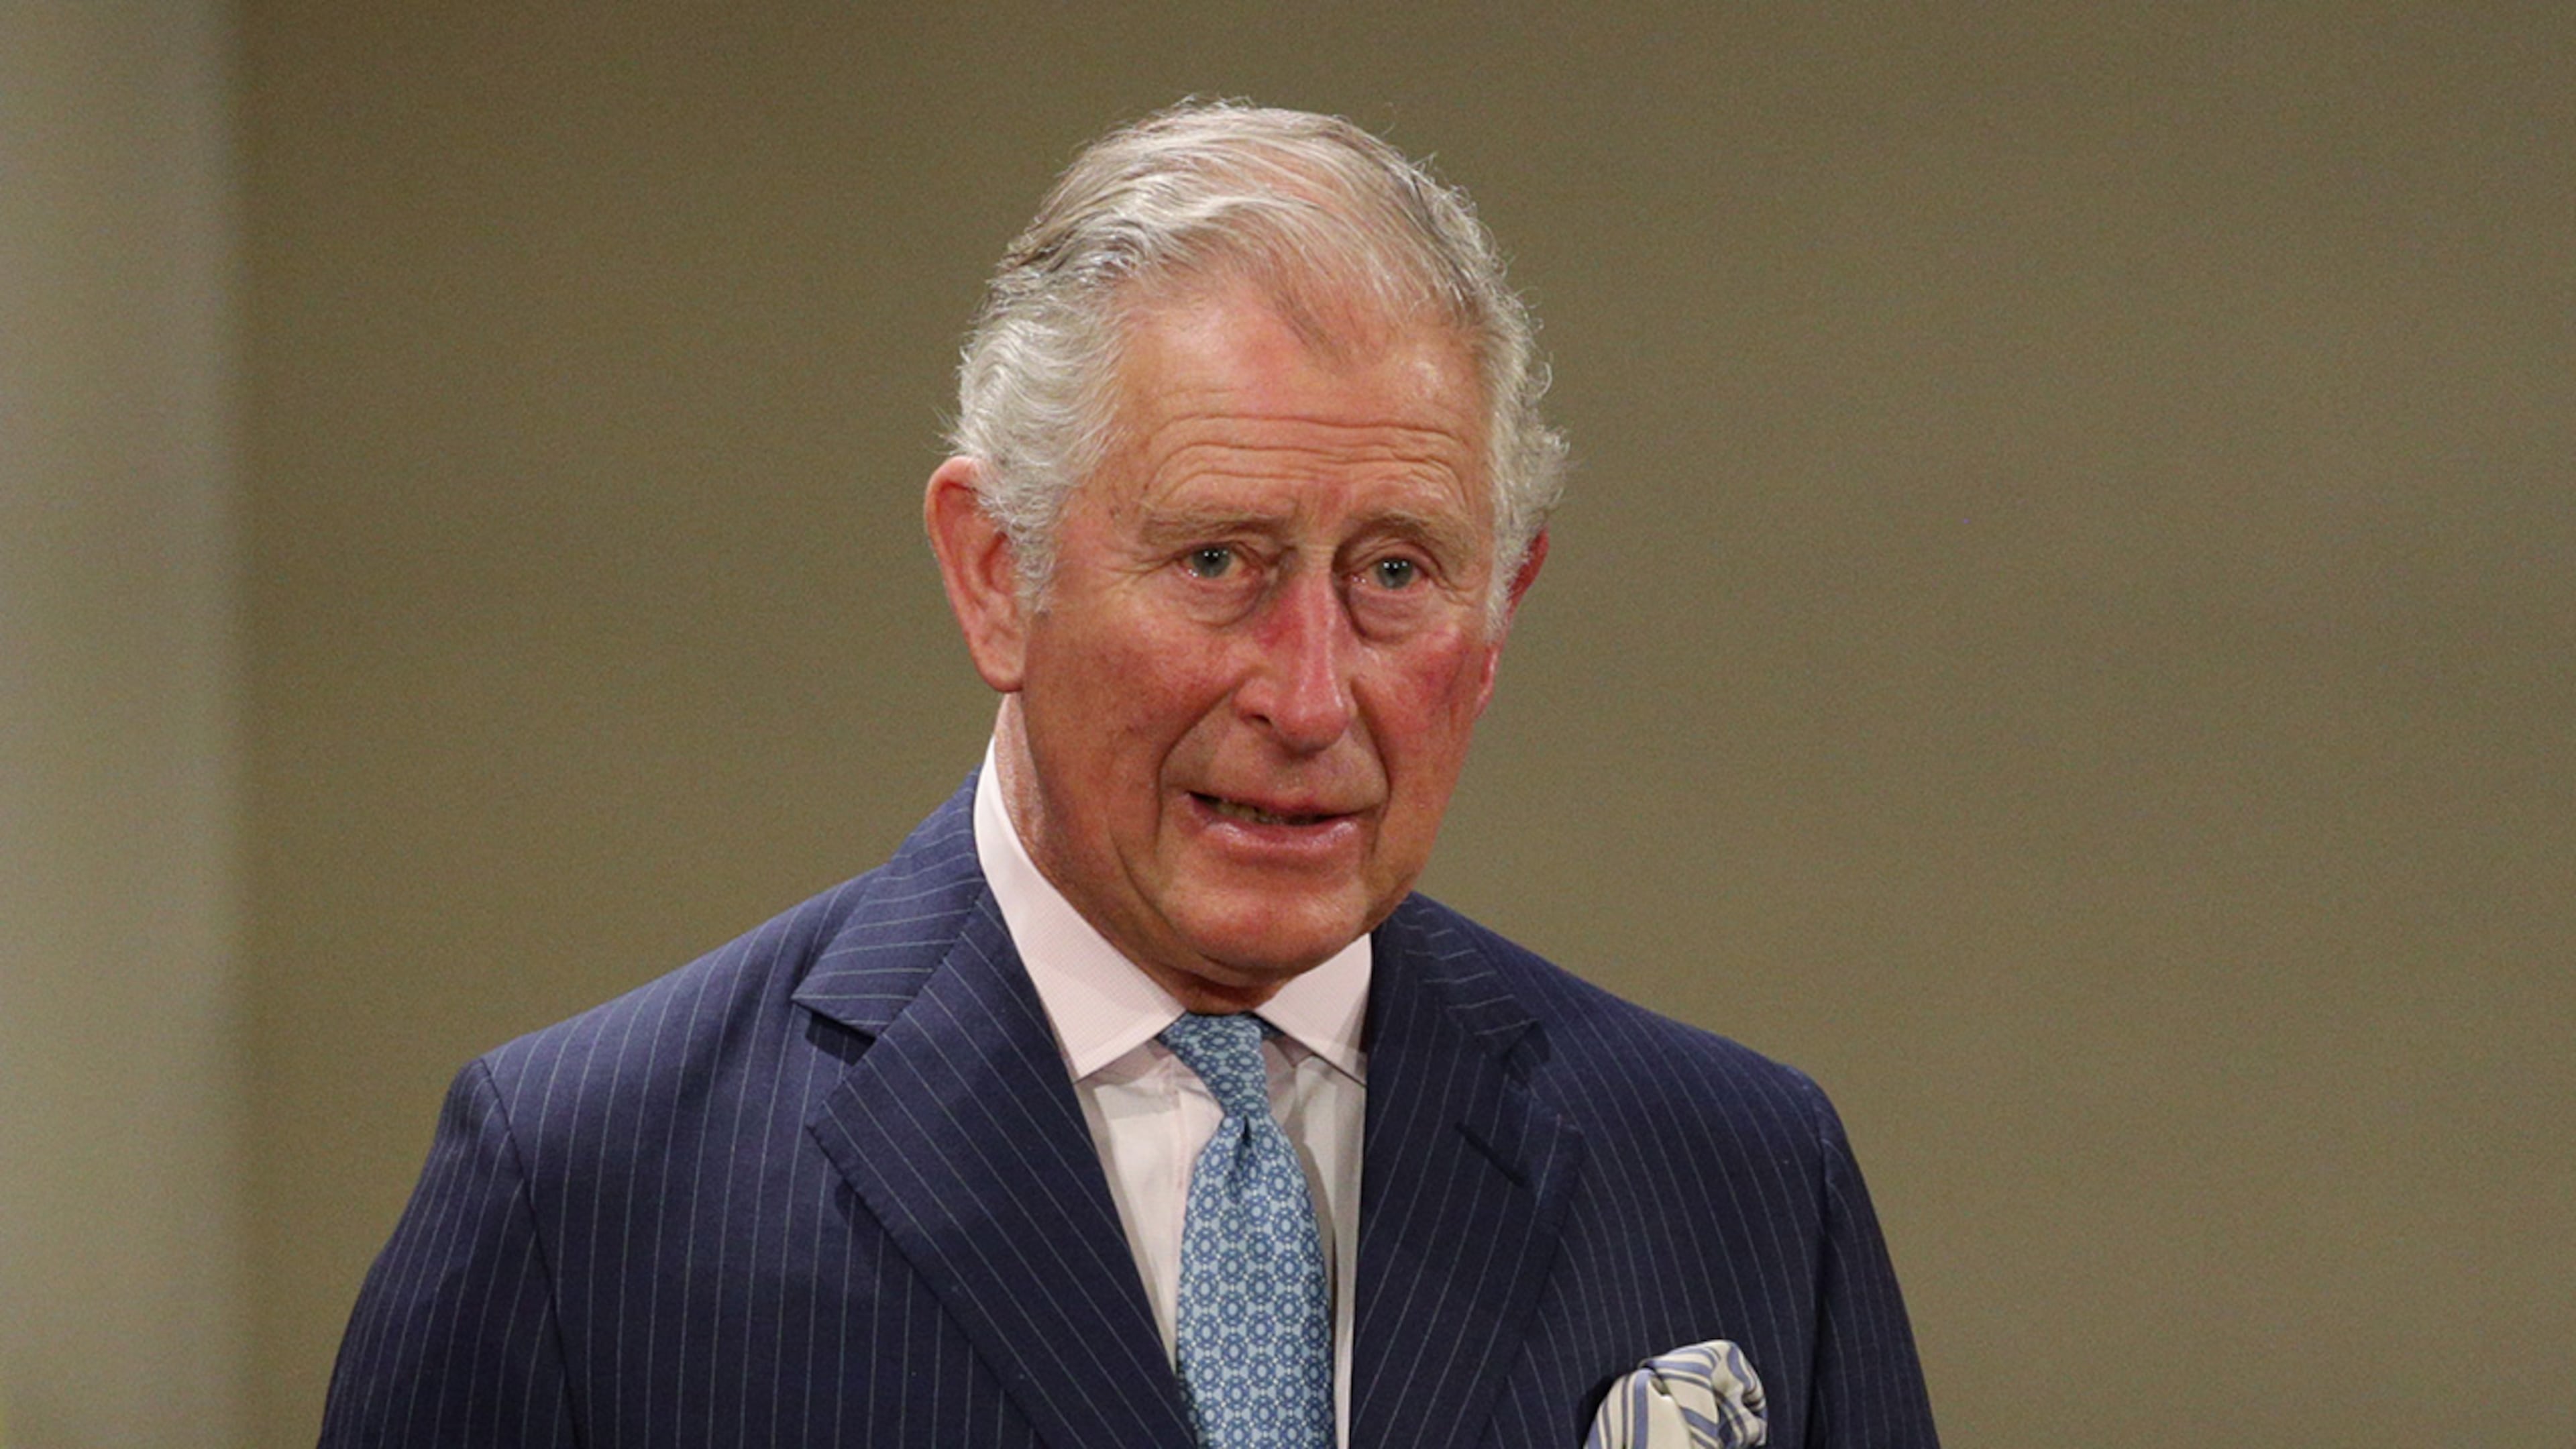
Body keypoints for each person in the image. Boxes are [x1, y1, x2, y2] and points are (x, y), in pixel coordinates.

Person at [321, 101, 1939, 1449]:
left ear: (1500, 608)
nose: (1313, 699)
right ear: (992, 572)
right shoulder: (590, 1200)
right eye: (1221, 558)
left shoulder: (1736, 1178)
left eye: (1394, 573)